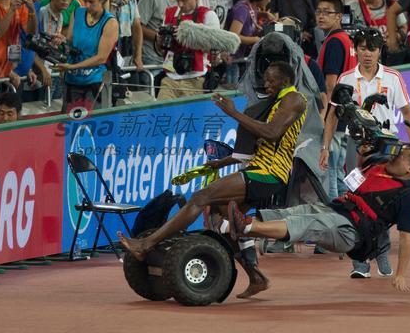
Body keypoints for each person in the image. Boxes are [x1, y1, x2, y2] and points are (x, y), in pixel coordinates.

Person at [119, 61, 307, 298]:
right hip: (259, 169)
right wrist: (221, 163)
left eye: (271, 81)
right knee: (224, 221)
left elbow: (271, 133)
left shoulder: (294, 99)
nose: (266, 84)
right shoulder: (275, 103)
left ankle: (146, 244)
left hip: (269, 174)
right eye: (265, 80)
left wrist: (233, 113)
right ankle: (257, 278)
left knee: (201, 197)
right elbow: (254, 148)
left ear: (285, 81)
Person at [229, 143, 410, 293]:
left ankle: (246, 227)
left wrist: (400, 274)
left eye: (400, 156)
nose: (394, 156)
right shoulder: (379, 166)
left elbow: (407, 238)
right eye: (396, 152)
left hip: (351, 231)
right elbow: (358, 176)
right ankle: (230, 226)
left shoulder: (407, 197)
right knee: (291, 212)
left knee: (306, 224)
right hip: (337, 208)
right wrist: (361, 154)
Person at [320, 27, 410, 280]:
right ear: (356, 50)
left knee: (380, 203)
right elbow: (332, 115)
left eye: (372, 49)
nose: (367, 54)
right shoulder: (346, 79)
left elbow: (407, 114)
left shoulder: (393, 77)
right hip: (357, 147)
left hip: (387, 147)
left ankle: (381, 251)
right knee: (356, 201)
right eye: (362, 48)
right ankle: (360, 261)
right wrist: (325, 147)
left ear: (379, 50)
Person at [316, 0, 357, 199]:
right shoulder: (346, 40)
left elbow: (330, 83)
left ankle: (334, 218)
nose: (321, 16)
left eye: (327, 12)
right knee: (339, 171)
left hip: (334, 115)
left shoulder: (333, 41)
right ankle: (347, 216)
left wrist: (324, 116)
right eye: (319, 11)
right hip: (344, 116)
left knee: (330, 170)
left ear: (339, 16)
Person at [56, 0, 119, 112]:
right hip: (72, 80)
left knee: (92, 124)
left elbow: (101, 58)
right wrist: (61, 41)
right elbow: (70, 42)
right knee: (68, 124)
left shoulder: (110, 22)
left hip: (94, 81)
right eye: (85, 1)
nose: (87, 5)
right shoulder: (77, 13)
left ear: (102, 0)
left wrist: (73, 66)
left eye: (92, 2)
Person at [156, 0, 220, 99]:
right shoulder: (170, 13)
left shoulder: (208, 15)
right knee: (162, 115)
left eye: (184, 0)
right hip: (169, 77)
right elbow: (161, 49)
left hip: (196, 78)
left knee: (191, 117)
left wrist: (186, 36)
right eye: (178, 0)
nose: (180, 4)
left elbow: (212, 48)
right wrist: (160, 40)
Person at [228, 0, 275, 85]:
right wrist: (256, 39)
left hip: (241, 59)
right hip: (233, 62)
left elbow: (252, 15)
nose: (270, 0)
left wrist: (263, 14)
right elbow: (233, 36)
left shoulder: (252, 6)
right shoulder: (242, 9)